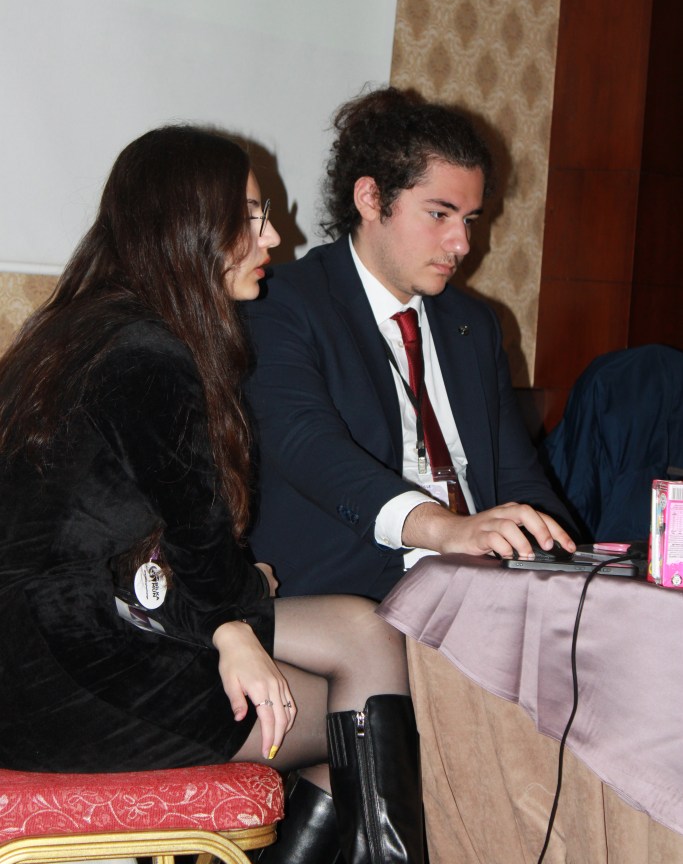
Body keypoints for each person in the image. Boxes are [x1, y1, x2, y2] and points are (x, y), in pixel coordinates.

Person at [0, 125, 424, 864]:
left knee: (364, 633)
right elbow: (196, 538)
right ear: (189, 226)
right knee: (357, 721)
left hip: (55, 649)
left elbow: (116, 539)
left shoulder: (84, 330)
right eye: (251, 216)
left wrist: (234, 604)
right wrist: (231, 627)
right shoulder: (146, 353)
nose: (274, 236)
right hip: (66, 680)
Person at [245, 87, 576, 600]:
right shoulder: (284, 304)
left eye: (469, 220)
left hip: (479, 581)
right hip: (357, 587)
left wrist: (554, 552)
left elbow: (517, 474)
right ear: (371, 199)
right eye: (440, 214)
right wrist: (446, 530)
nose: (462, 244)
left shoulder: (474, 324)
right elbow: (311, 450)